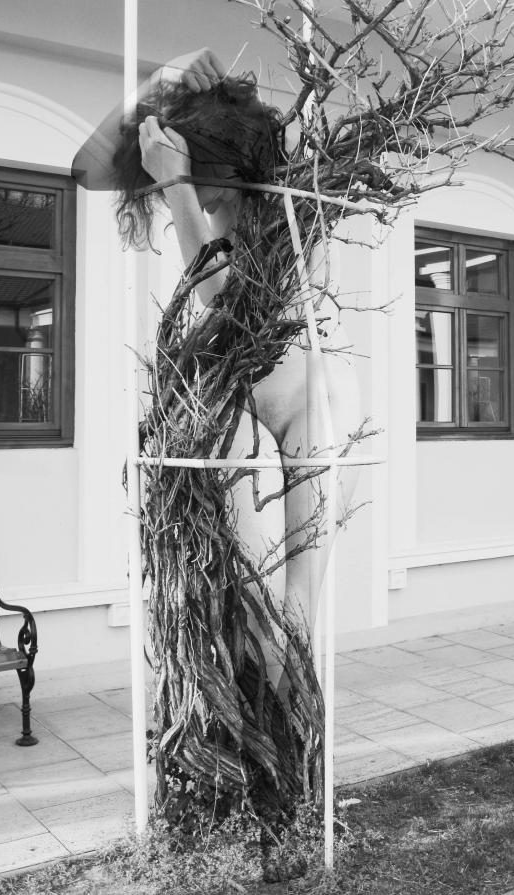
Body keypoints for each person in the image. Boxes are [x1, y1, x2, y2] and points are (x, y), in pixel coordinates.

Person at [72, 47, 362, 641]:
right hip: (238, 398)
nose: (185, 187)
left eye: (195, 167)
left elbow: (229, 301)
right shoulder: (208, 191)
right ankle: (247, 701)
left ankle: (285, 705)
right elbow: (87, 171)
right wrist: (159, 78)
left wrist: (178, 185)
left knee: (297, 604)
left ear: (225, 153)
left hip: (311, 395)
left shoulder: (285, 178)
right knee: (251, 602)